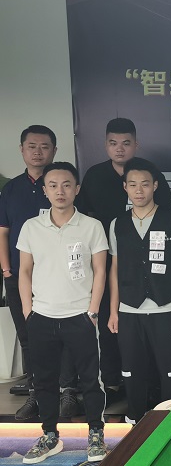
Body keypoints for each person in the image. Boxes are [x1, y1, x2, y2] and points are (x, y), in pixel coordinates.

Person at [17, 162, 109, 464]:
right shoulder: (31, 227)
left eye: (67, 185)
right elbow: (25, 271)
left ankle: (96, 433)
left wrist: (92, 311)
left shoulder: (91, 226)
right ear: (45, 191)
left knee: (90, 380)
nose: (60, 191)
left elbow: (100, 270)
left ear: (77, 189)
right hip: (41, 316)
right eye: (53, 185)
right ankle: (49, 436)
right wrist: (29, 311)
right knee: (44, 381)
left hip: (80, 316)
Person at [78, 117, 171, 395]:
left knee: (150, 326)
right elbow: (83, 216)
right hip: (107, 261)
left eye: (126, 143)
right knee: (111, 321)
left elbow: (166, 216)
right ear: (105, 145)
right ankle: (112, 381)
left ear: (136, 144)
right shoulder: (95, 175)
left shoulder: (149, 172)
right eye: (113, 143)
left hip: (151, 264)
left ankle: (153, 384)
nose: (119, 149)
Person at [0, 125, 79, 421]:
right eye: (31, 146)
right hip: (20, 275)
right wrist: (7, 270)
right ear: (22, 149)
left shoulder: (63, 184)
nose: (38, 152)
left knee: (67, 336)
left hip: (61, 276)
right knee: (29, 336)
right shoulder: (11, 190)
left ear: (54, 150)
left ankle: (67, 392)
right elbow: (3, 231)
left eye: (44, 146)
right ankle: (36, 392)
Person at [107, 158, 171, 424]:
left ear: (155, 185)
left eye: (144, 184)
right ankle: (135, 418)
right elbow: (114, 268)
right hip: (128, 309)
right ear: (125, 187)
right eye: (133, 185)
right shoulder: (117, 223)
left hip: (166, 306)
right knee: (132, 370)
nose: (139, 190)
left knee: (170, 369)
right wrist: (113, 311)